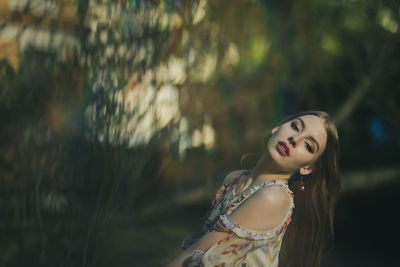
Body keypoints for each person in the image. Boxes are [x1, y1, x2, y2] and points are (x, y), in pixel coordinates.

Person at [166, 111, 341, 267]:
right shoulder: (235, 178)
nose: (295, 139)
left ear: (307, 168)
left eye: (309, 146)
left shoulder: (273, 196)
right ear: (277, 127)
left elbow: (199, 248)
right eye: (295, 127)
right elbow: (196, 248)